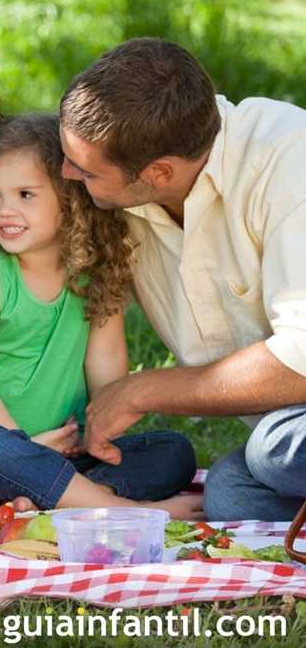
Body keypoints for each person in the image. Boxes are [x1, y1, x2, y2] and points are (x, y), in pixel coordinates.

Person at [59, 37, 306, 521]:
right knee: (232, 495)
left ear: (159, 172)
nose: (65, 173)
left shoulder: (288, 159)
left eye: (85, 171)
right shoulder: (128, 192)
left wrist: (141, 390)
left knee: (273, 452)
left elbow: (302, 358)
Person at [0, 114, 200, 518]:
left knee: (173, 452)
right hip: (2, 455)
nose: (4, 209)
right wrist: (24, 443)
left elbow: (105, 361)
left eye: (25, 194)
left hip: (71, 453)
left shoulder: (96, 272)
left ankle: (69, 498)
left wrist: (102, 433)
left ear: (70, 200)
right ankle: (128, 510)